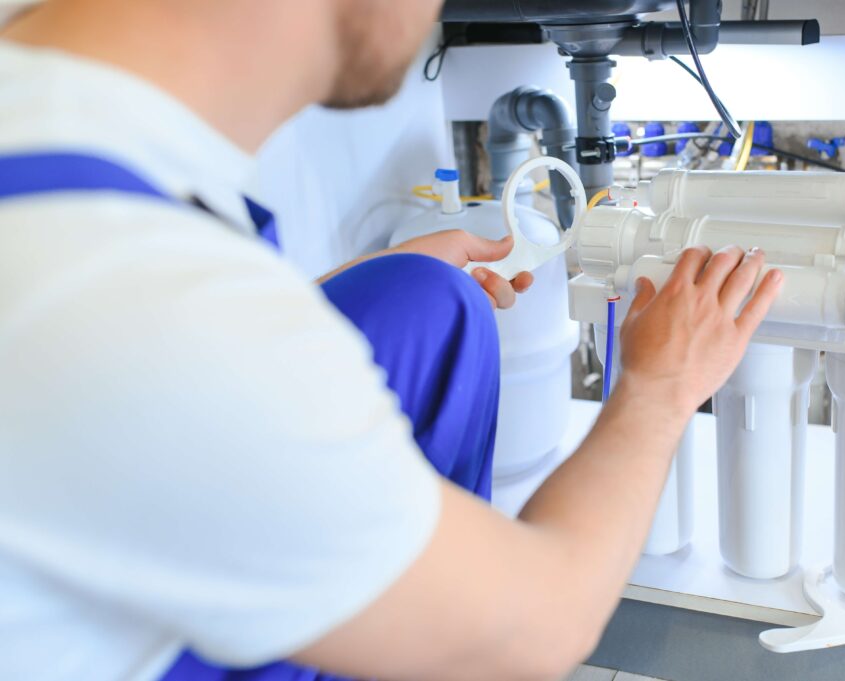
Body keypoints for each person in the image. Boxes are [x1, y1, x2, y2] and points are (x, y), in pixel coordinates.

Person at [0, 1, 782, 680]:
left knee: (426, 299)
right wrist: (658, 386)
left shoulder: (59, 128)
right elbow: (547, 624)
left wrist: (378, 269)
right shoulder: (144, 308)